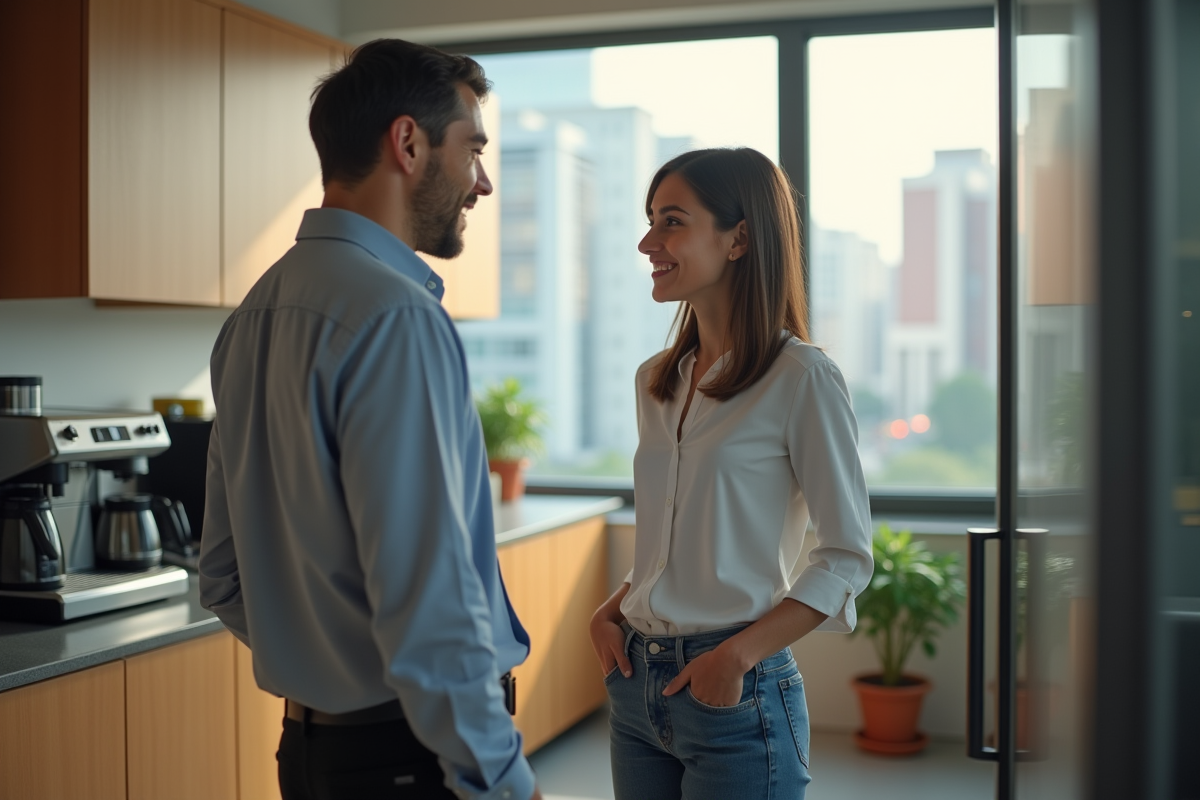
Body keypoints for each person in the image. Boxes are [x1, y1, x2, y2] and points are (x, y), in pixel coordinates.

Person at [199, 39, 542, 800]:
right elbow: (432, 604)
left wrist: (325, 655)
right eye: (472, 151)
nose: (481, 183)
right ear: (409, 143)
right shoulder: (396, 316)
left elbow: (221, 576)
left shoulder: (253, 315)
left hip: (313, 754)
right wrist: (504, 780)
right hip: (412, 761)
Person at [589, 148, 874, 800]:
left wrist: (737, 657)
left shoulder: (802, 379)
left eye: (671, 222)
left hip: (734, 693)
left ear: (740, 237)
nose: (647, 242)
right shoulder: (656, 382)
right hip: (636, 683)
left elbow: (846, 557)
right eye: (650, 221)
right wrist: (609, 611)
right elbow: (674, 537)